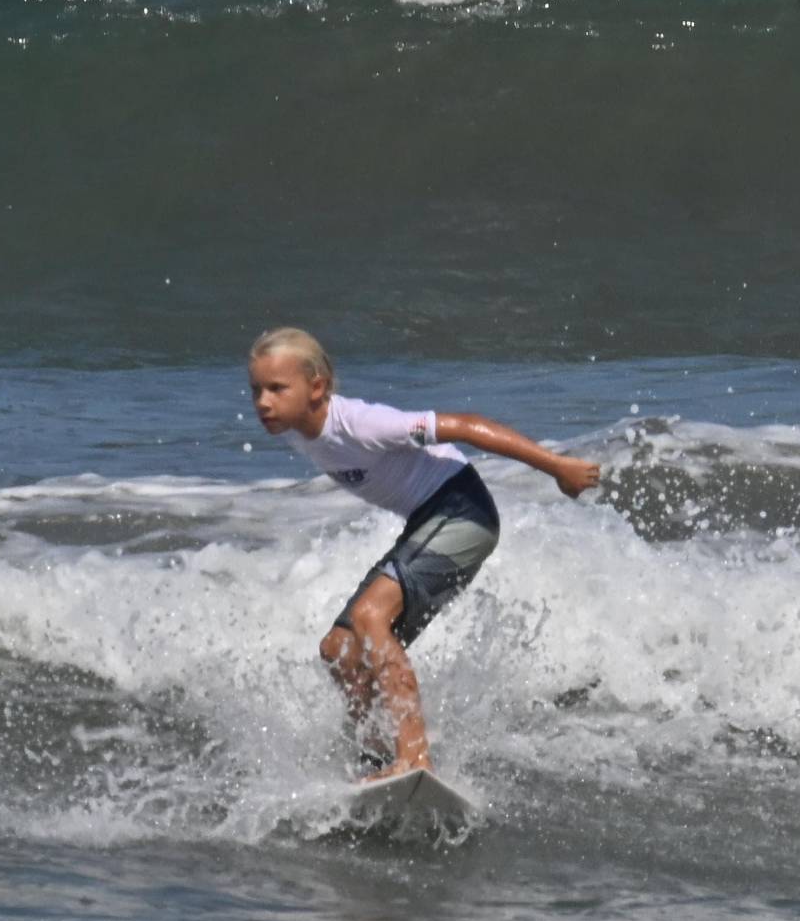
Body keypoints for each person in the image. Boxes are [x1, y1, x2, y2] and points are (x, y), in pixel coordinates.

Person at [247, 326, 600, 777]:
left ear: (317, 388)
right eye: (256, 389)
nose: (263, 402)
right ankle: (373, 758)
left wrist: (558, 467)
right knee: (339, 649)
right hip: (428, 520)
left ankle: (414, 756)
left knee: (370, 617)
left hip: (461, 511)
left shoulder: (359, 423)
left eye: (277, 388)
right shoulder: (299, 429)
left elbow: (466, 425)